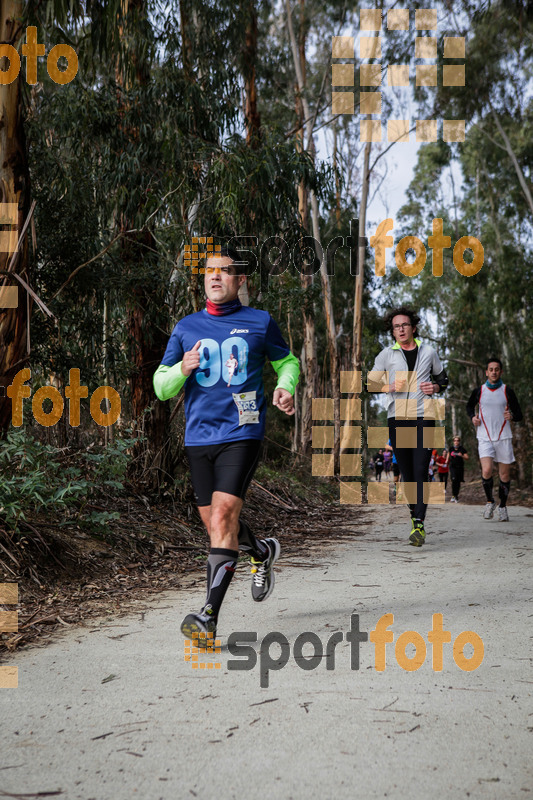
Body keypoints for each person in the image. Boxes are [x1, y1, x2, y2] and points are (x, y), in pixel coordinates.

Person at [153, 246, 300, 639]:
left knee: (221, 518)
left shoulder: (260, 322)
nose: (215, 276)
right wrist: (181, 369)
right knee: (216, 522)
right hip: (199, 437)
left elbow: (287, 362)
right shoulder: (186, 327)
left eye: (225, 271)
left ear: (240, 281)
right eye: (209, 271)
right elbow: (161, 386)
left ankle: (208, 617)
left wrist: (285, 388)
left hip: (242, 431)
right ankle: (262, 551)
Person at [369, 307, 449, 546]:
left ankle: (419, 524)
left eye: (404, 325)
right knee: (407, 474)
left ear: (413, 327)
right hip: (399, 418)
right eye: (396, 326)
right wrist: (388, 387)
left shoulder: (429, 352)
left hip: (425, 416)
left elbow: (443, 379)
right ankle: (415, 517)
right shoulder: (386, 356)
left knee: (421, 469)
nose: (401, 329)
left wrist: (435, 388)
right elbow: (370, 384)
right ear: (392, 331)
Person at [466, 357, 523, 521]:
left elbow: (518, 414)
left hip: (503, 437)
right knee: (486, 470)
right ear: (486, 372)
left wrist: (511, 415)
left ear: (501, 372)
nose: (493, 372)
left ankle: (503, 506)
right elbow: (469, 406)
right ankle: (490, 501)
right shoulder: (479, 391)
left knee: (504, 475)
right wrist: (473, 417)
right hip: (484, 436)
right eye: (491, 369)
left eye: (496, 369)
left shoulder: (507, 390)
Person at [448, 436, 468, 502]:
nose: (456, 442)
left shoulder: (462, 449)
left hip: (460, 467)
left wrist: (461, 455)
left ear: (459, 441)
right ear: (453, 441)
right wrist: (446, 461)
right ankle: (453, 495)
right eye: (455, 440)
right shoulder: (451, 448)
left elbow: (467, 457)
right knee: (454, 479)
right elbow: (448, 455)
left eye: (457, 440)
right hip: (452, 467)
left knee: (458, 481)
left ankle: (456, 496)